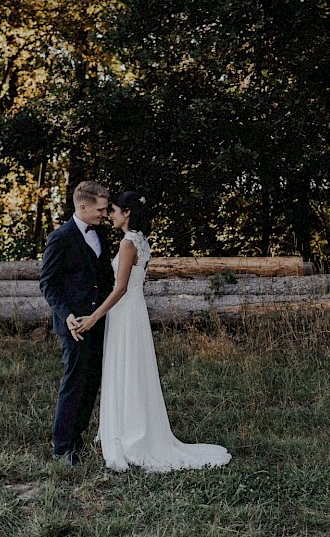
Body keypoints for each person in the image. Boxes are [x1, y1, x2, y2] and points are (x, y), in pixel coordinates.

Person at [74, 191, 232, 473]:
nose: (110, 215)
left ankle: (129, 433)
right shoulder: (141, 241)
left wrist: (95, 317)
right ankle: (132, 426)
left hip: (124, 311)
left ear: (128, 213)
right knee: (133, 369)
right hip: (134, 310)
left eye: (114, 210)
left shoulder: (127, 243)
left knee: (127, 368)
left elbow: (120, 288)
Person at [39, 181, 115, 466]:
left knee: (92, 381)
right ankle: (61, 447)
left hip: (100, 320)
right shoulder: (61, 238)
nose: (104, 214)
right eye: (100, 209)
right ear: (82, 207)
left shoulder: (101, 234)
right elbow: (47, 283)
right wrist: (67, 316)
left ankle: (77, 438)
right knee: (74, 382)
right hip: (74, 325)